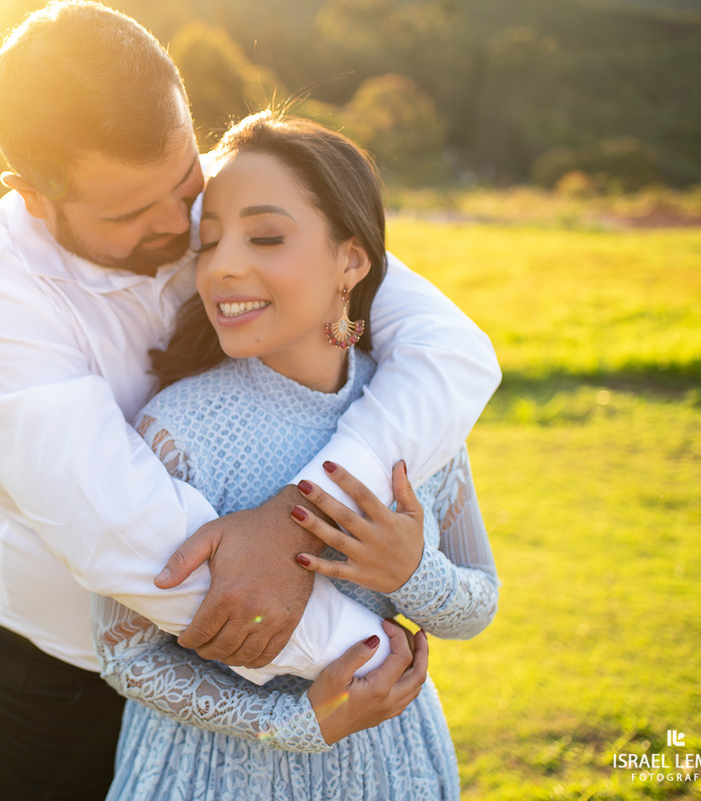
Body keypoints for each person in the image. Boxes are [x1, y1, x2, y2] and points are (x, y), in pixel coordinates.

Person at [0, 3, 501, 799]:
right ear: (32, 196)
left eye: (182, 180)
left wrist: (305, 504)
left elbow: (450, 352)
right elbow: (126, 539)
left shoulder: (236, 201)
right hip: (62, 666)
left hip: (305, 695)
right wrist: (368, 655)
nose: (181, 223)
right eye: (130, 213)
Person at [92, 110, 500, 800]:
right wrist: (294, 720)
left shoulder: (415, 410)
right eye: (210, 241)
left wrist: (412, 572)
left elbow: (478, 599)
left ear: (352, 259)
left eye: (267, 236)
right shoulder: (176, 430)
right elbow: (124, 652)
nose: (222, 266)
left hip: (393, 773)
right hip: (204, 779)